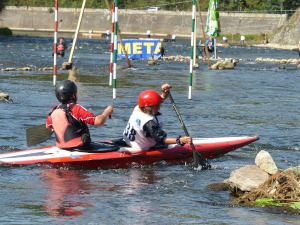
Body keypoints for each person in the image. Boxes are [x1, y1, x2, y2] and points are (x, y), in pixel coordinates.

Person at [46, 80, 113, 149]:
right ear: (73, 95)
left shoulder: (54, 110)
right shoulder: (76, 108)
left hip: (61, 148)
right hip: (80, 147)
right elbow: (98, 121)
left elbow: (48, 126)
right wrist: (107, 112)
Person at [123, 84, 192, 150]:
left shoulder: (138, 108)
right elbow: (162, 139)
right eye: (157, 106)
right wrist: (180, 140)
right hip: (143, 147)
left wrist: (165, 92)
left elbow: (159, 99)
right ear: (148, 107)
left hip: (129, 142)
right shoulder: (148, 123)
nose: (159, 108)